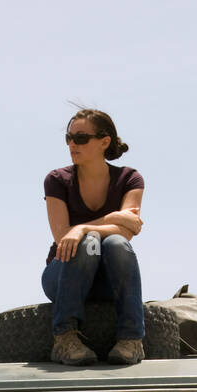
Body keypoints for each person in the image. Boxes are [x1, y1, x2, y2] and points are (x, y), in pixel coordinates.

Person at [42, 108, 146, 366]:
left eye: (81, 138)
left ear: (104, 141)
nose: (72, 144)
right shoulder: (57, 180)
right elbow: (62, 237)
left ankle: (131, 339)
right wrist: (111, 219)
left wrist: (83, 227)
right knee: (87, 244)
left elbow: (127, 232)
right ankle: (64, 338)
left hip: (108, 281)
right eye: (69, 138)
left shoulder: (129, 178)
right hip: (64, 274)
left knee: (116, 243)